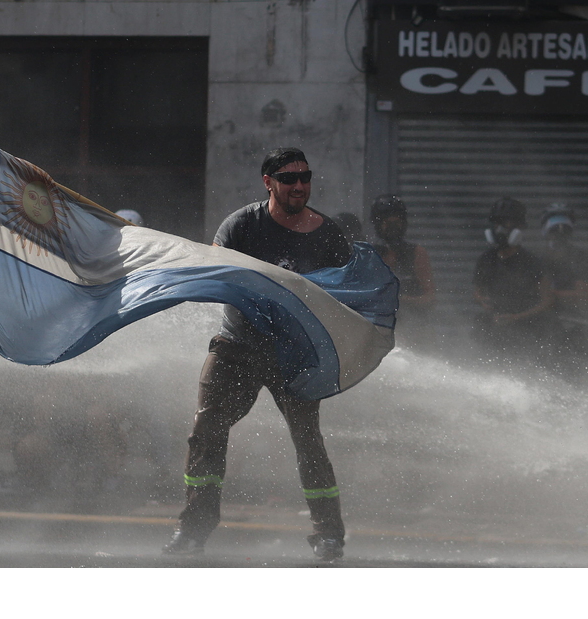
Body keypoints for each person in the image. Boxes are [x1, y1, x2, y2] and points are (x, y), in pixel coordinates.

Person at [162, 147, 353, 561]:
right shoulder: (242, 225)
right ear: (269, 183)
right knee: (206, 430)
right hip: (238, 345)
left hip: (296, 354)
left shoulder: (327, 233)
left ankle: (329, 534)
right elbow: (214, 270)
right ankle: (193, 529)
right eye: (288, 178)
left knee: (308, 440)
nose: (299, 185)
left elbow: (348, 291)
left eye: (305, 177)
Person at [472, 197, 556, 362]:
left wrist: (516, 317)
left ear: (519, 228)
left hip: (529, 331)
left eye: (507, 224)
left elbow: (547, 301)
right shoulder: (486, 259)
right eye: (497, 224)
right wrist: (483, 301)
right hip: (494, 330)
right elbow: (477, 292)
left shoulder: (532, 262)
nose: (501, 230)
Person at [539, 203, 588, 367]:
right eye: (554, 231)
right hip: (540, 321)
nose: (559, 235)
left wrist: (551, 296)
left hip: (573, 323)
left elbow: (583, 296)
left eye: (563, 231)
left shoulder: (579, 257)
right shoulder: (538, 258)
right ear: (546, 233)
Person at [369, 195, 436, 350]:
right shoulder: (370, 254)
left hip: (416, 330)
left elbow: (430, 298)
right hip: (380, 331)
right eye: (387, 221)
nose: (393, 226)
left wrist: (401, 300)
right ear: (377, 223)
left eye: (397, 221)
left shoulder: (417, 253)